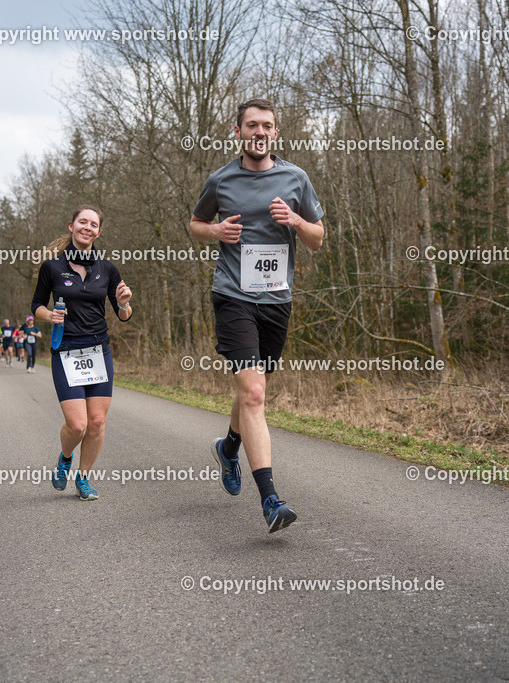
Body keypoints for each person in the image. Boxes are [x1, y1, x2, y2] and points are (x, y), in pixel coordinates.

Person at [189, 98, 324, 532]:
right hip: (232, 294)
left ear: (276, 133)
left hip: (276, 299)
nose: (259, 132)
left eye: (266, 125)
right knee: (254, 393)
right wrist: (215, 231)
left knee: (255, 389)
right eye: (252, 125)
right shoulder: (221, 180)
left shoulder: (296, 178)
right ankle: (270, 500)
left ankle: (229, 447)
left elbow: (319, 238)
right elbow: (195, 224)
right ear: (238, 132)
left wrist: (297, 223)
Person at [31, 205, 133, 500]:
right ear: (71, 226)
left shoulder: (107, 269)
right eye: (82, 222)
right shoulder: (52, 267)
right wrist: (48, 316)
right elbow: (36, 305)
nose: (87, 227)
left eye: (93, 224)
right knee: (77, 425)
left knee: (97, 422)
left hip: (99, 350)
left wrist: (124, 302)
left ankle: (84, 478)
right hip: (66, 350)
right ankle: (65, 459)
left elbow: (124, 314)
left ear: (98, 232)